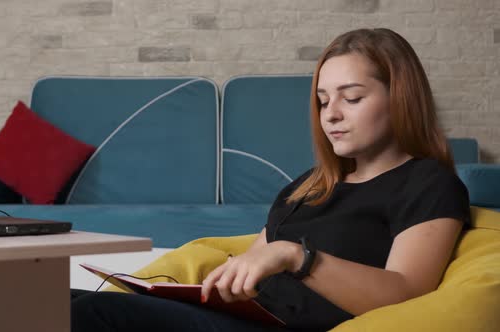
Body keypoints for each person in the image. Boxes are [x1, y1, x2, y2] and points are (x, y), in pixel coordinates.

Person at [70, 28, 471, 332]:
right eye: (323, 100)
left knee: (90, 313)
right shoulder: (311, 184)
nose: (330, 114)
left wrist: (298, 257)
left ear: (400, 97)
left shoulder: (427, 183)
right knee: (57, 300)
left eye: (351, 98)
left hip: (282, 327)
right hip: (243, 315)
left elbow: (409, 295)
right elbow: (253, 262)